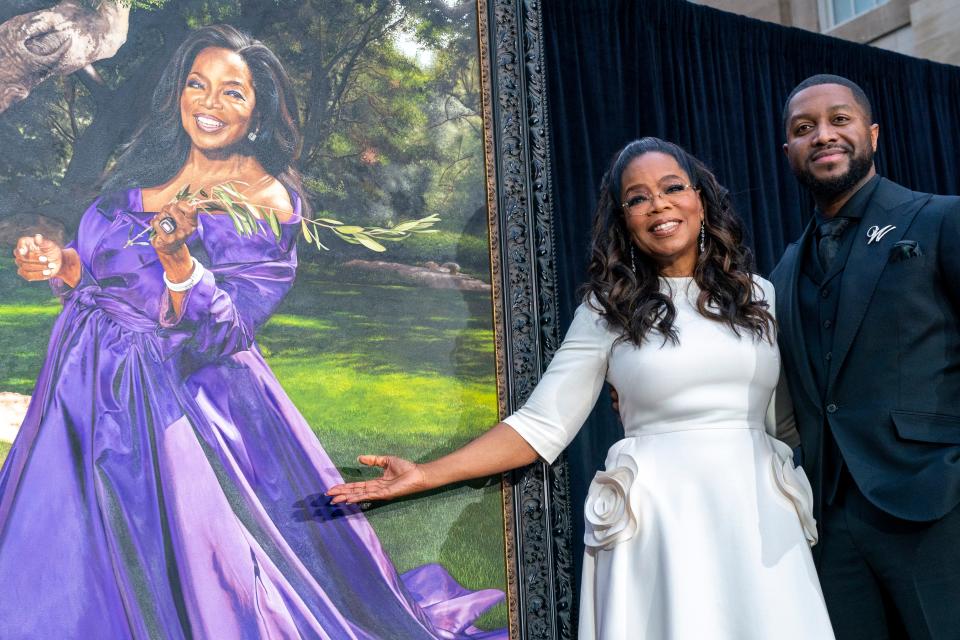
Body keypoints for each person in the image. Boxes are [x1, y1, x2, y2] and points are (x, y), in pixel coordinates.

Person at [2, 24, 504, 640]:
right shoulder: (150, 168)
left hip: (175, 410)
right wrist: (60, 264)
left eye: (232, 92)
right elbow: (101, 277)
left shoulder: (268, 202)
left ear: (258, 111)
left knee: (193, 570)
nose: (209, 104)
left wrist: (180, 262)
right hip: (80, 384)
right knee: (64, 549)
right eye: (197, 84)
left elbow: (226, 331)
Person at [329, 137, 837, 639]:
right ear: (624, 221)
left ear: (700, 198)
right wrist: (424, 474)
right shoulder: (606, 311)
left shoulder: (760, 295)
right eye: (637, 198)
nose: (658, 204)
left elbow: (789, 421)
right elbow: (541, 424)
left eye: (672, 187)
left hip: (758, 514)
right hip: (658, 522)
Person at [772, 73, 960, 639]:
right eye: (804, 129)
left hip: (936, 503)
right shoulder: (783, 271)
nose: (823, 135)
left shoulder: (940, 218)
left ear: (873, 135)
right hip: (830, 525)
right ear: (790, 153)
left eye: (839, 120)